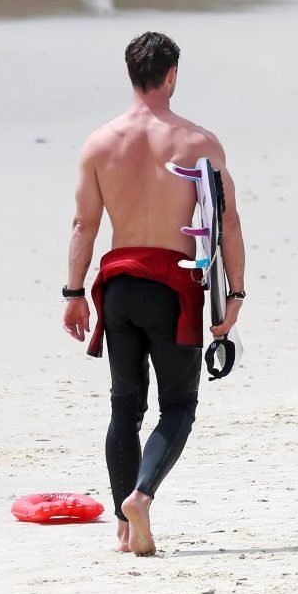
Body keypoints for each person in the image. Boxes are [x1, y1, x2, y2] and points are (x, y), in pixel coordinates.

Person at [62, 31, 245, 555]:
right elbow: (228, 225)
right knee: (179, 405)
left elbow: (84, 225)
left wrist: (73, 292)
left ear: (130, 74)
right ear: (172, 75)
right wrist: (235, 295)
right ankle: (141, 497)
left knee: (125, 408)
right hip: (174, 288)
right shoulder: (199, 143)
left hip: (118, 286)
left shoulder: (99, 143)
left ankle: (125, 530)